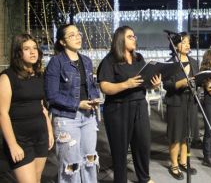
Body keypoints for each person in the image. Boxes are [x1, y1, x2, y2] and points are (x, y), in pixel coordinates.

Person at [97, 25, 159, 183]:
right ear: (120, 39)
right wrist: (126, 84)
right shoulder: (110, 60)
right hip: (118, 109)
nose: (134, 39)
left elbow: (143, 82)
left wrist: (154, 84)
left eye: (134, 36)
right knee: (120, 151)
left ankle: (144, 178)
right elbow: (104, 87)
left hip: (139, 106)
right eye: (130, 36)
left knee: (143, 146)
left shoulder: (139, 58)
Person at [45, 24, 100, 183]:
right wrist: (78, 104)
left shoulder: (86, 61)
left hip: (88, 118)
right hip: (66, 119)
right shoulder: (56, 63)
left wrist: (94, 98)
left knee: (90, 160)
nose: (77, 37)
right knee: (71, 165)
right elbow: (52, 96)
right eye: (72, 35)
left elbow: (91, 87)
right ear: (62, 42)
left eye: (78, 34)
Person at [0, 34, 53, 183]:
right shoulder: (7, 77)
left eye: (35, 48)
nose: (33, 52)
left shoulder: (38, 75)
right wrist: (13, 145)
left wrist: (49, 131)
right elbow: (2, 114)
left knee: (36, 180)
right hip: (20, 140)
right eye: (27, 49)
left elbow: (42, 107)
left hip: (40, 137)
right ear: (18, 52)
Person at [163, 32, 199, 180]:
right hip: (176, 102)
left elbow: (197, 80)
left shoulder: (193, 61)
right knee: (176, 135)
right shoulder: (170, 63)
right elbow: (166, 85)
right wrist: (181, 83)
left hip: (190, 102)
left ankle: (183, 161)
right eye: (183, 42)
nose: (187, 45)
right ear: (176, 45)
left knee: (187, 135)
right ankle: (174, 165)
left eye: (188, 42)